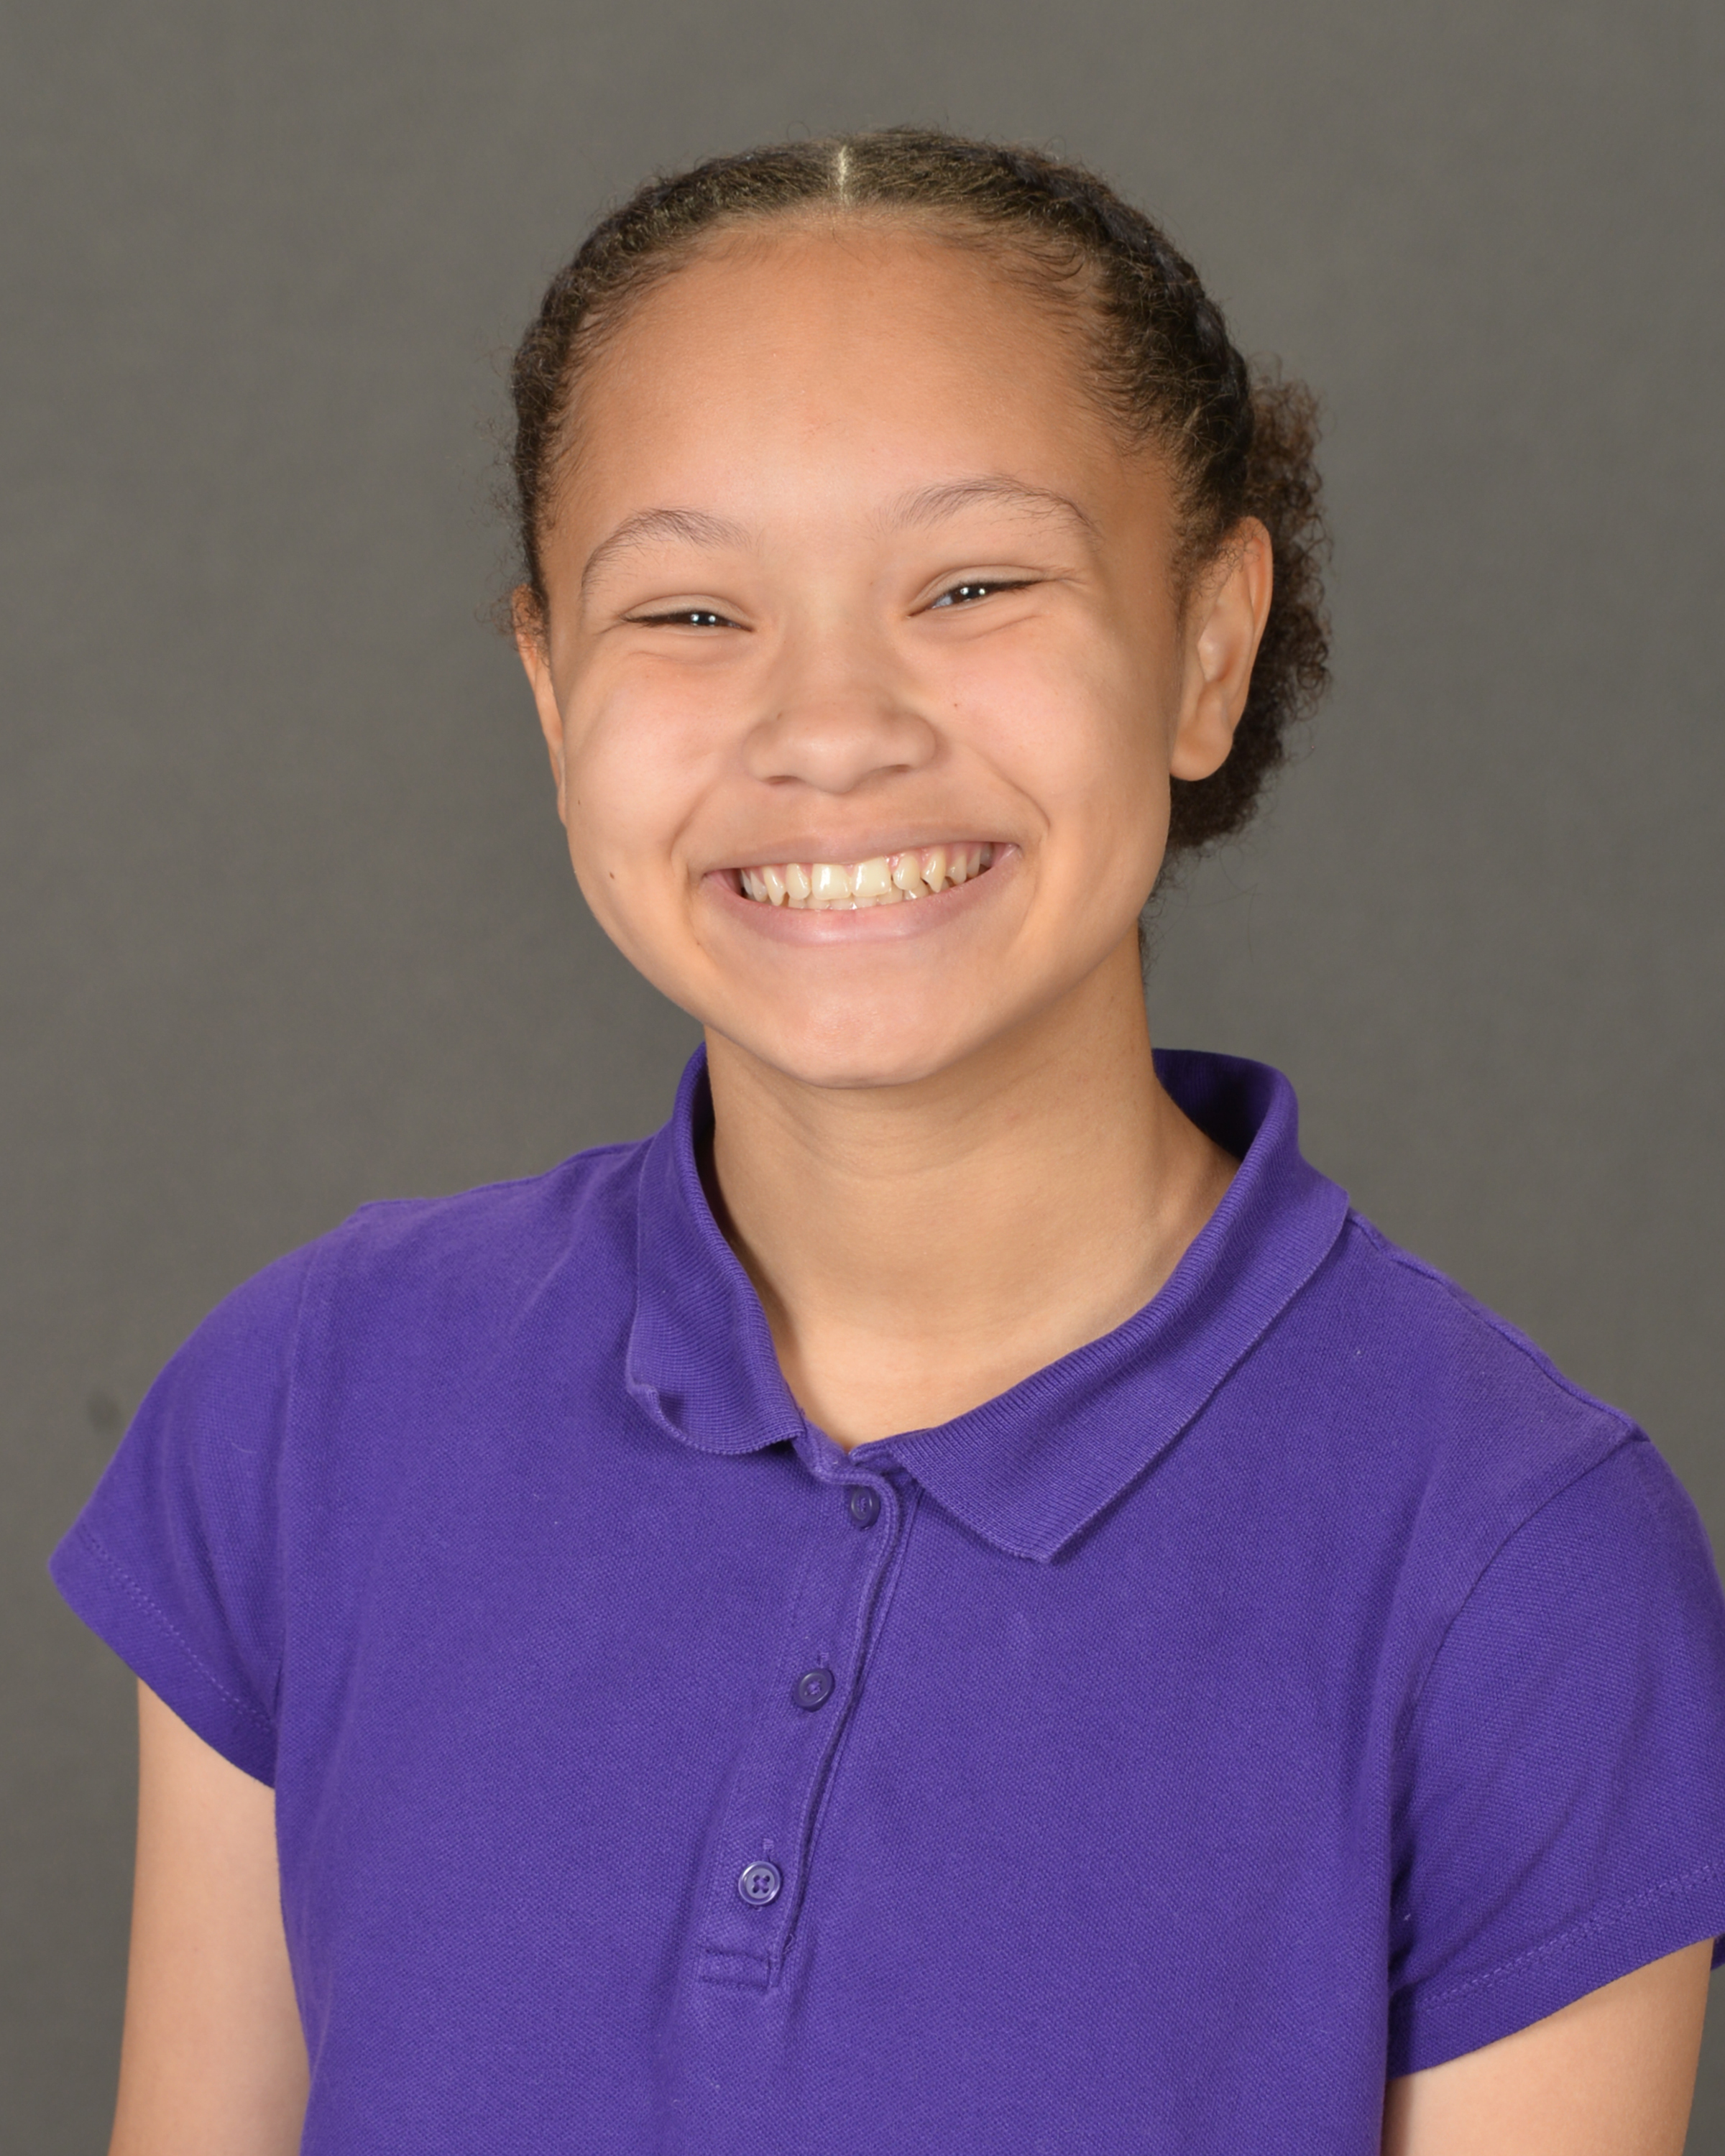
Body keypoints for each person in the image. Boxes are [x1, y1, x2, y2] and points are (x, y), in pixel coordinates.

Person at [52, 129, 1725, 2156]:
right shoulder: (313, 1405)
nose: (831, 727)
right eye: (690, 612)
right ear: (549, 692)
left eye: (974, 585)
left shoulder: (1520, 1571)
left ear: (1206, 647)